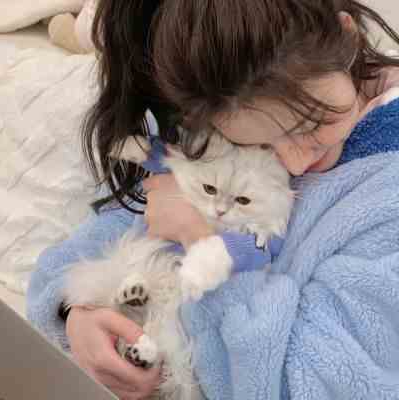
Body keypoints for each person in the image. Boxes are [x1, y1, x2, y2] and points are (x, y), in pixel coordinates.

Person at [26, 1, 399, 399]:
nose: (294, 162)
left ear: (348, 36)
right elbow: (107, 232)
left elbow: (316, 384)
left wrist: (202, 242)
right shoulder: (226, 109)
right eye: (258, 146)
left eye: (310, 123)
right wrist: (76, 313)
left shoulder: (385, 193)